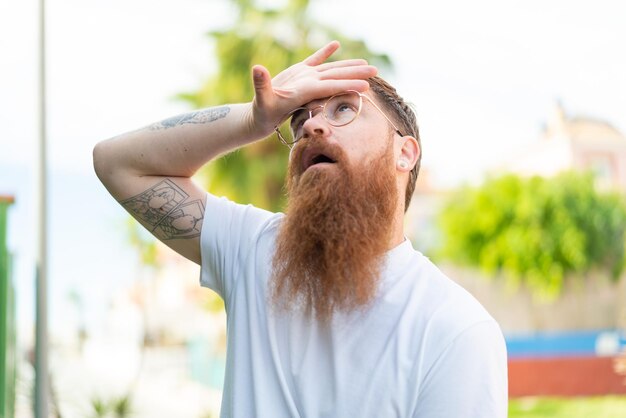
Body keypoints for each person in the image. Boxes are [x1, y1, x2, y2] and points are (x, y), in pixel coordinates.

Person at [93, 41, 508, 417]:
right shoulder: (255, 249)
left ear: (405, 152)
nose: (311, 126)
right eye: (299, 122)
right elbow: (117, 163)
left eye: (343, 108)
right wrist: (253, 119)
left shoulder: (455, 329)